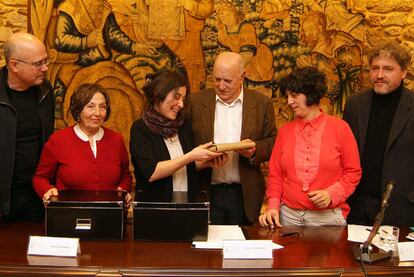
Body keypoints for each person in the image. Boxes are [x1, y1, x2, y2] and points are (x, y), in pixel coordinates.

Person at [259, 67, 361, 227]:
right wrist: (272, 207)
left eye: (294, 95)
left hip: (328, 217)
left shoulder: (341, 128)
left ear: (311, 94)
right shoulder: (285, 131)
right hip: (288, 216)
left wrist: (331, 194)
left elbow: (353, 172)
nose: (289, 102)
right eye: (287, 96)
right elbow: (275, 174)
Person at [187, 52, 277, 225]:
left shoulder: (261, 103)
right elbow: (184, 144)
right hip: (206, 190)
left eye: (227, 81)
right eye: (217, 79)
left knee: (242, 247)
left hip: (244, 195)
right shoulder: (195, 102)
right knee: (206, 250)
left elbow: (273, 141)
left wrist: (253, 150)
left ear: (242, 77)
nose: (221, 86)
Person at [343, 42, 414, 226]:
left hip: (402, 207)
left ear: (404, 72)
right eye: (375, 68)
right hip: (356, 205)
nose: (379, 75)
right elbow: (343, 150)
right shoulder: (354, 104)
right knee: (351, 255)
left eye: (388, 69)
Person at [130, 70, 223, 199]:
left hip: (186, 205)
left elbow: (183, 167)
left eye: (183, 99)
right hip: (154, 208)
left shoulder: (183, 125)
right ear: (158, 93)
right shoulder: (140, 128)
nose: (181, 104)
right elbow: (151, 172)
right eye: (176, 97)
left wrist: (207, 163)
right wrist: (191, 156)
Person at [33, 83, 132, 203]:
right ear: (78, 110)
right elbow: (40, 178)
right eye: (90, 106)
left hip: (108, 214)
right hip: (69, 214)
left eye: (102, 107)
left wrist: (122, 190)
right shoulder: (58, 140)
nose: (97, 113)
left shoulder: (116, 140)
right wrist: (47, 190)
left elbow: (125, 175)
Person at [0, 32, 55, 222]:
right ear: (14, 65)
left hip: (34, 196)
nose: (45, 68)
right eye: (38, 64)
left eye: (46, 61)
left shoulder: (45, 91)